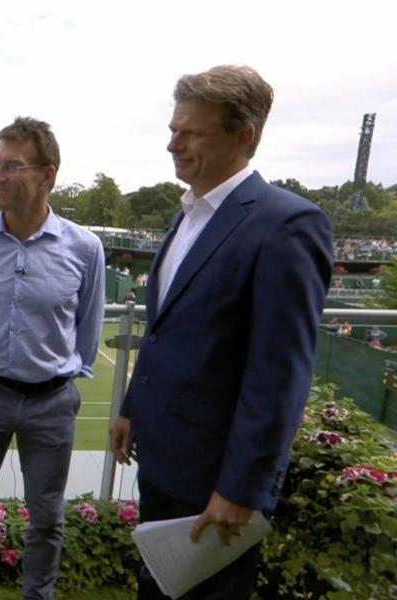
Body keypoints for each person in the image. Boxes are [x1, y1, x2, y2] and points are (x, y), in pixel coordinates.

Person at [110, 65, 333, 600]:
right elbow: (166, 332)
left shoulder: (288, 225)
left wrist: (240, 489)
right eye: (172, 130)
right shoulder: (186, 215)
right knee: (159, 587)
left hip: (215, 479)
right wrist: (131, 408)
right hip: (163, 458)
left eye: (189, 132)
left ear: (243, 135)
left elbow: (280, 374)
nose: (172, 145)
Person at [0, 117, 105, 600]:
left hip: (52, 402)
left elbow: (87, 333)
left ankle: (39, 595)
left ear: (47, 175)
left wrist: (54, 376)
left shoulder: (84, 248)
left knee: (47, 515)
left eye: (12, 166)